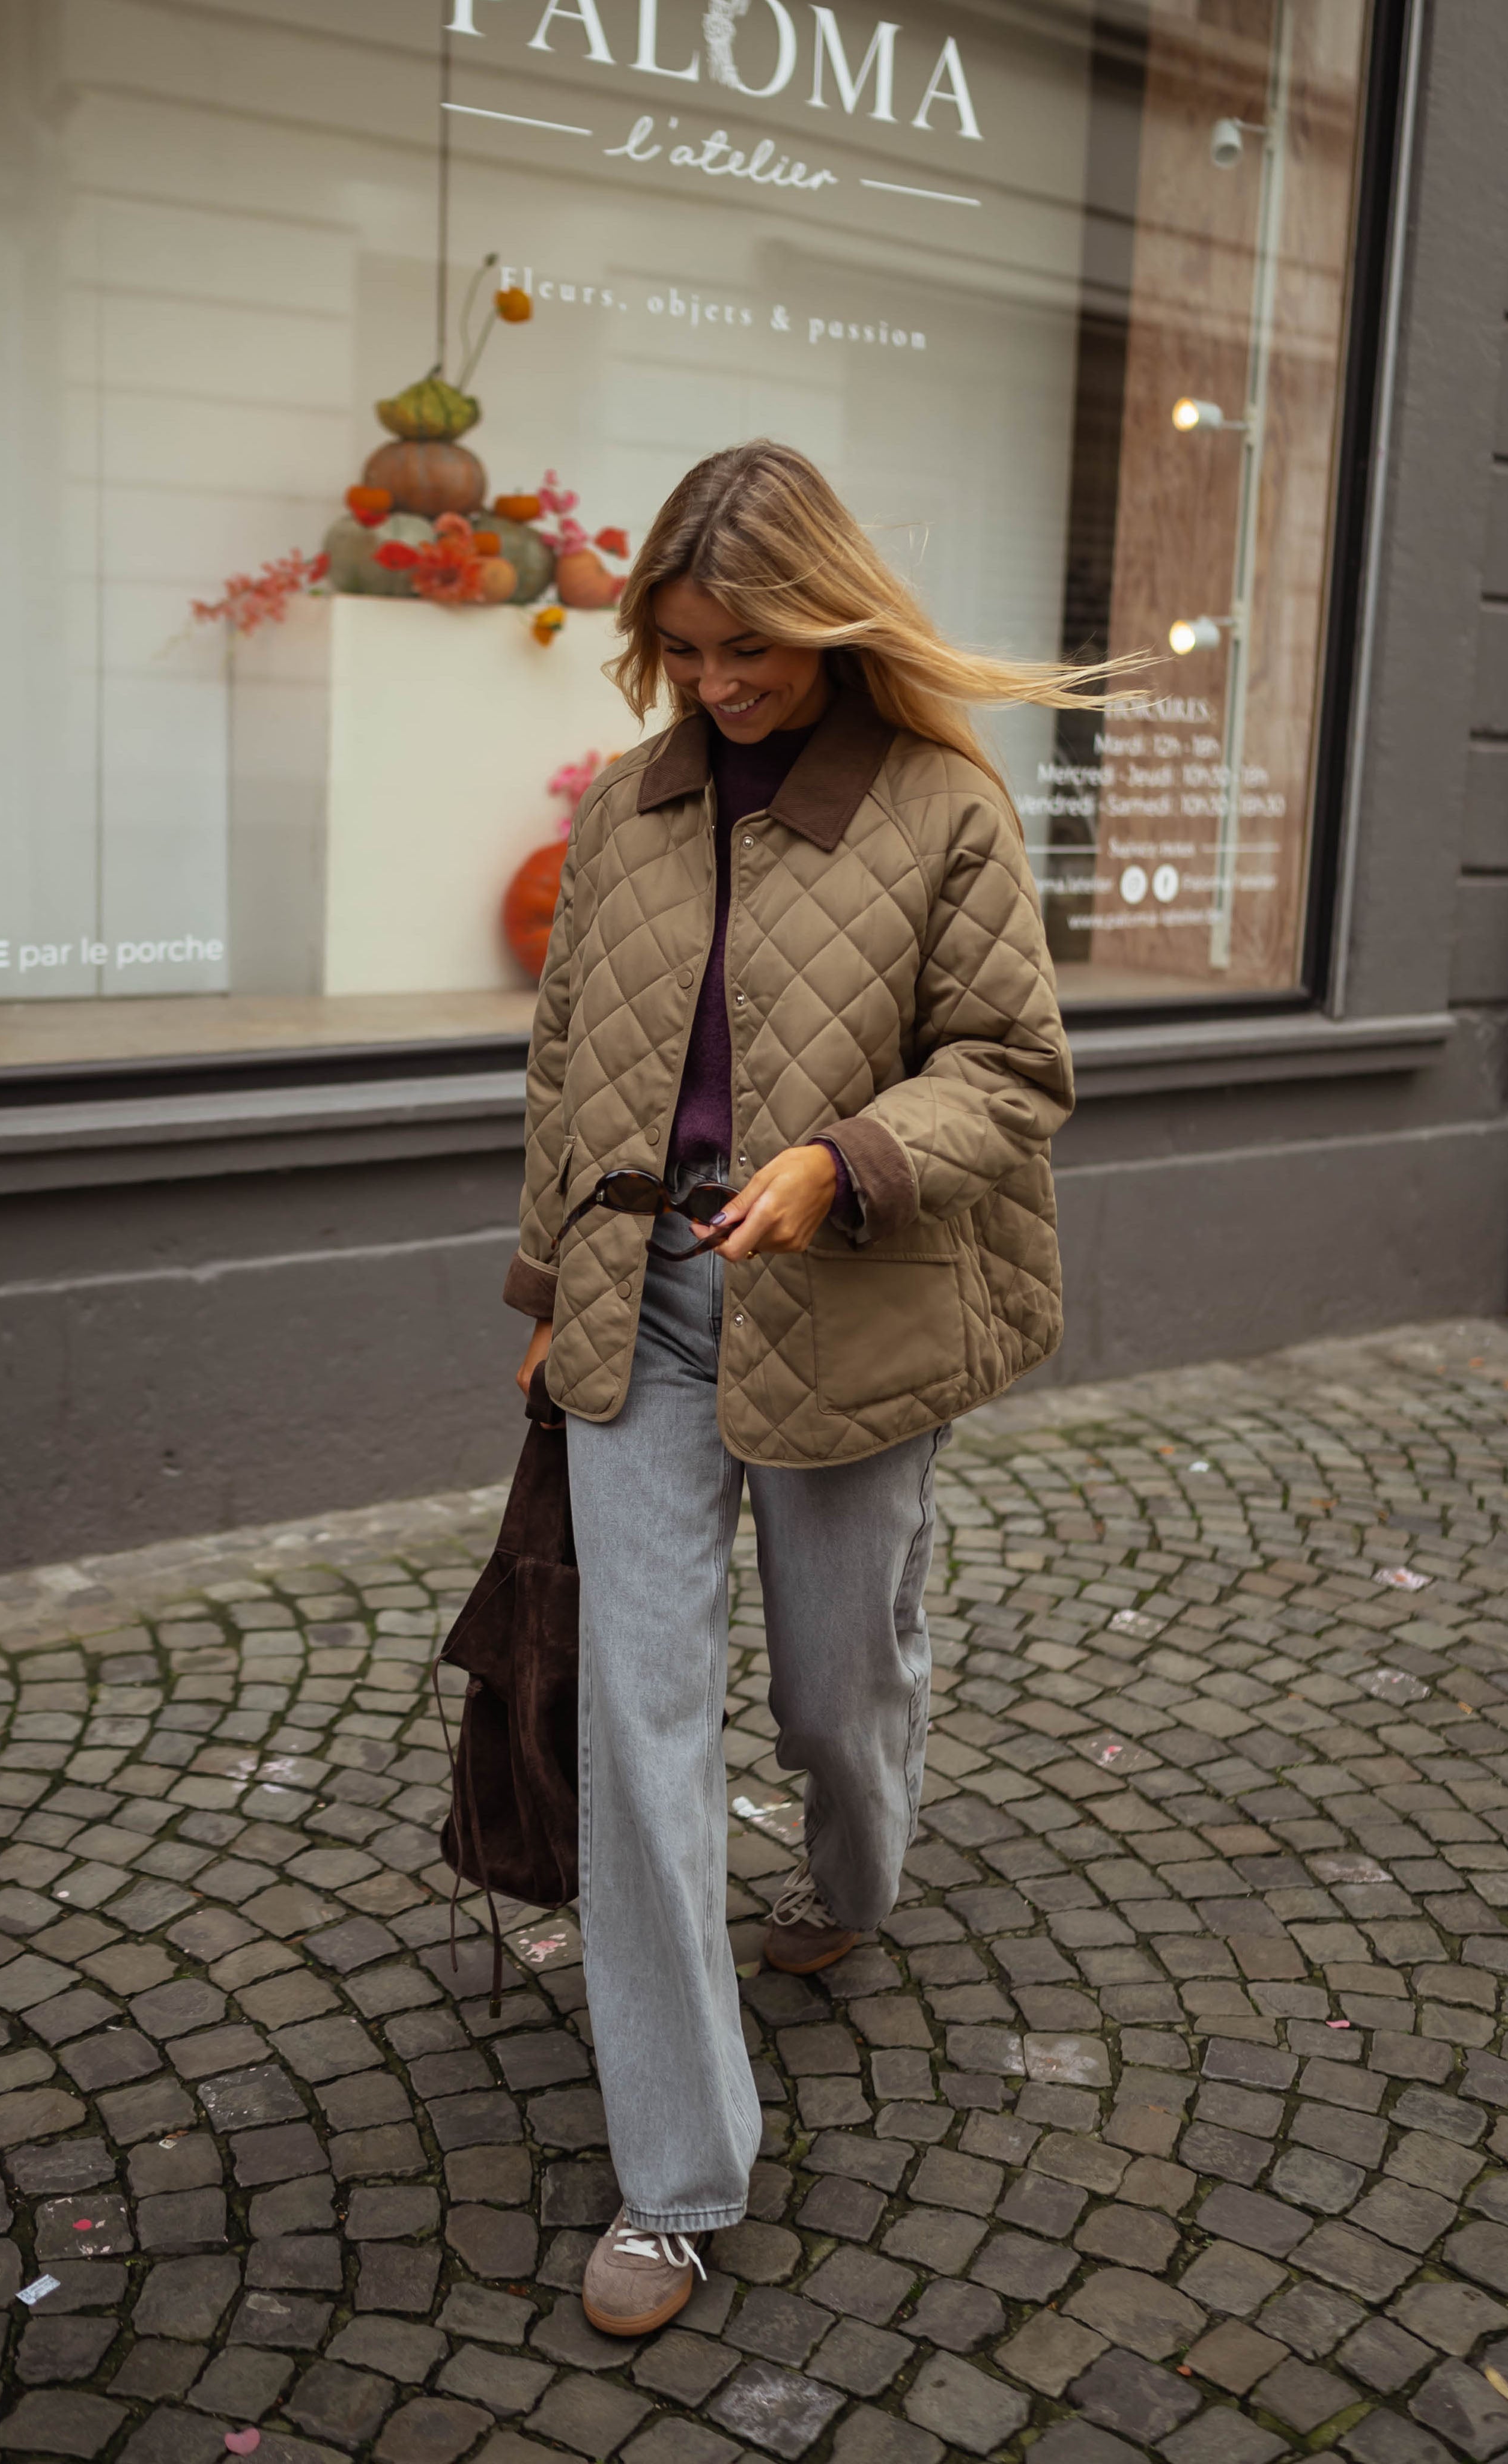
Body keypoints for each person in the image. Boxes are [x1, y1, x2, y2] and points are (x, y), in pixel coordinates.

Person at [503, 440, 1119, 2338]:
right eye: (685, 650)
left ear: (827, 625)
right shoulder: (628, 808)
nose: (715, 683)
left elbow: (1012, 1068)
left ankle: (852, 1879)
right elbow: (566, 1063)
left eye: (746, 650)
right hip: (639, 1306)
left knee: (838, 1686)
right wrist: (542, 1287)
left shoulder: (940, 807)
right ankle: (675, 2179)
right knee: (639, 1727)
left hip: (845, 1304)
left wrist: (842, 1162)